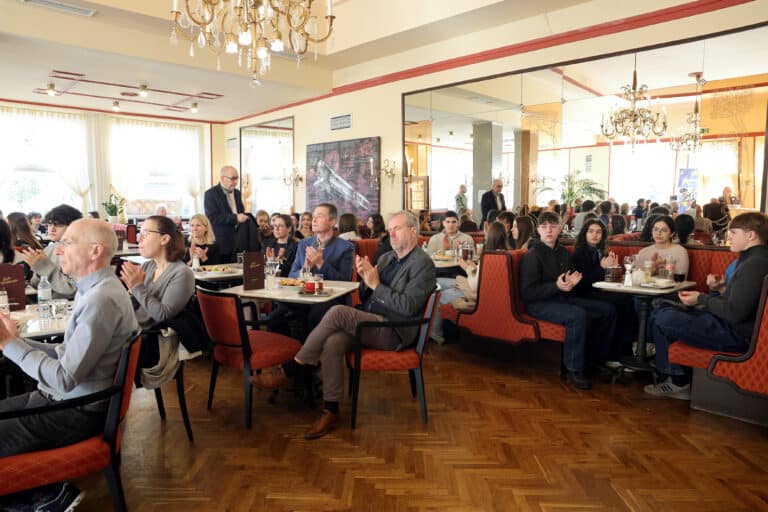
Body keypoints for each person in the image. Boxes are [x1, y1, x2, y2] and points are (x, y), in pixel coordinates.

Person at [253, 210, 436, 439]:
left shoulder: (423, 264)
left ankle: (292, 368)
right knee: (333, 342)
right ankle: (331, 410)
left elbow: (407, 307)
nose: (391, 234)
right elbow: (367, 295)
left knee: (338, 312)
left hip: (394, 330)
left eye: (396, 229)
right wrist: (364, 279)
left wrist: (376, 285)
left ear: (413, 231)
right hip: (371, 322)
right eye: (389, 230)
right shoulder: (387, 258)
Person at [0, 219, 138, 509]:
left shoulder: (101, 299)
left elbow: (64, 378)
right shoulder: (95, 289)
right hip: (64, 401)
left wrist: (9, 345)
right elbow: (66, 352)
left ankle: (44, 496)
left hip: (75, 411)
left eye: (67, 242)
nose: (58, 250)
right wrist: (17, 342)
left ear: (95, 251)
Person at [645, 212, 768, 399]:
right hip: (729, 326)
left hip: (735, 335)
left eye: (734, 232)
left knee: (663, 316)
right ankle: (672, 375)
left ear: (750, 235)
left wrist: (701, 299)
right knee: (661, 307)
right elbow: (739, 303)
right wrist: (718, 290)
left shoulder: (755, 264)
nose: (729, 237)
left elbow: (734, 313)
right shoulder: (753, 260)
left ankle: (677, 381)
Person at [520, 211, 617, 390]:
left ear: (560, 229)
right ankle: (574, 369)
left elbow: (571, 279)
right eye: (544, 226)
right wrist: (557, 286)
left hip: (562, 298)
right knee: (577, 315)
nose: (549, 230)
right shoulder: (532, 255)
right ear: (538, 230)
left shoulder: (564, 252)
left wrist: (572, 283)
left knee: (607, 310)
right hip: (539, 304)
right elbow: (528, 292)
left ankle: (596, 360)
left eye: (553, 226)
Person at [120, 216, 195, 386]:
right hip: (132, 331)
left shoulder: (182, 273)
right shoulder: (148, 266)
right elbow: (134, 305)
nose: (138, 239)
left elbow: (162, 315)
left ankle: (106, 397)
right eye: (139, 233)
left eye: (145, 233)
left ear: (164, 239)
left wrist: (137, 287)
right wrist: (129, 292)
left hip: (151, 341)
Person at [426, 211, 475, 343]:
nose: (451, 225)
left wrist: (456, 250)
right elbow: (428, 261)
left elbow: (472, 261)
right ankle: (432, 333)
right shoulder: (435, 239)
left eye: (454, 222)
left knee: (436, 292)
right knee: (432, 287)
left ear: (458, 223)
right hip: (439, 274)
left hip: (459, 275)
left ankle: (435, 334)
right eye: (447, 222)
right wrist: (444, 250)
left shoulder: (466, 238)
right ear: (443, 223)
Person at [22, 204, 82, 299]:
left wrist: (43, 267)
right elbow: (36, 285)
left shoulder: (81, 251)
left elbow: (72, 290)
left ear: (73, 226)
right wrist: (37, 268)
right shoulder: (49, 249)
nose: (52, 229)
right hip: (47, 302)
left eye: (58, 225)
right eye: (49, 224)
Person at [204, 165, 248, 262]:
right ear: (223, 178)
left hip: (238, 242)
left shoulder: (237, 193)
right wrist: (235, 218)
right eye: (233, 178)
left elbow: (240, 211)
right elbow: (212, 218)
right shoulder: (211, 194)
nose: (235, 182)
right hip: (221, 243)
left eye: (237, 178)